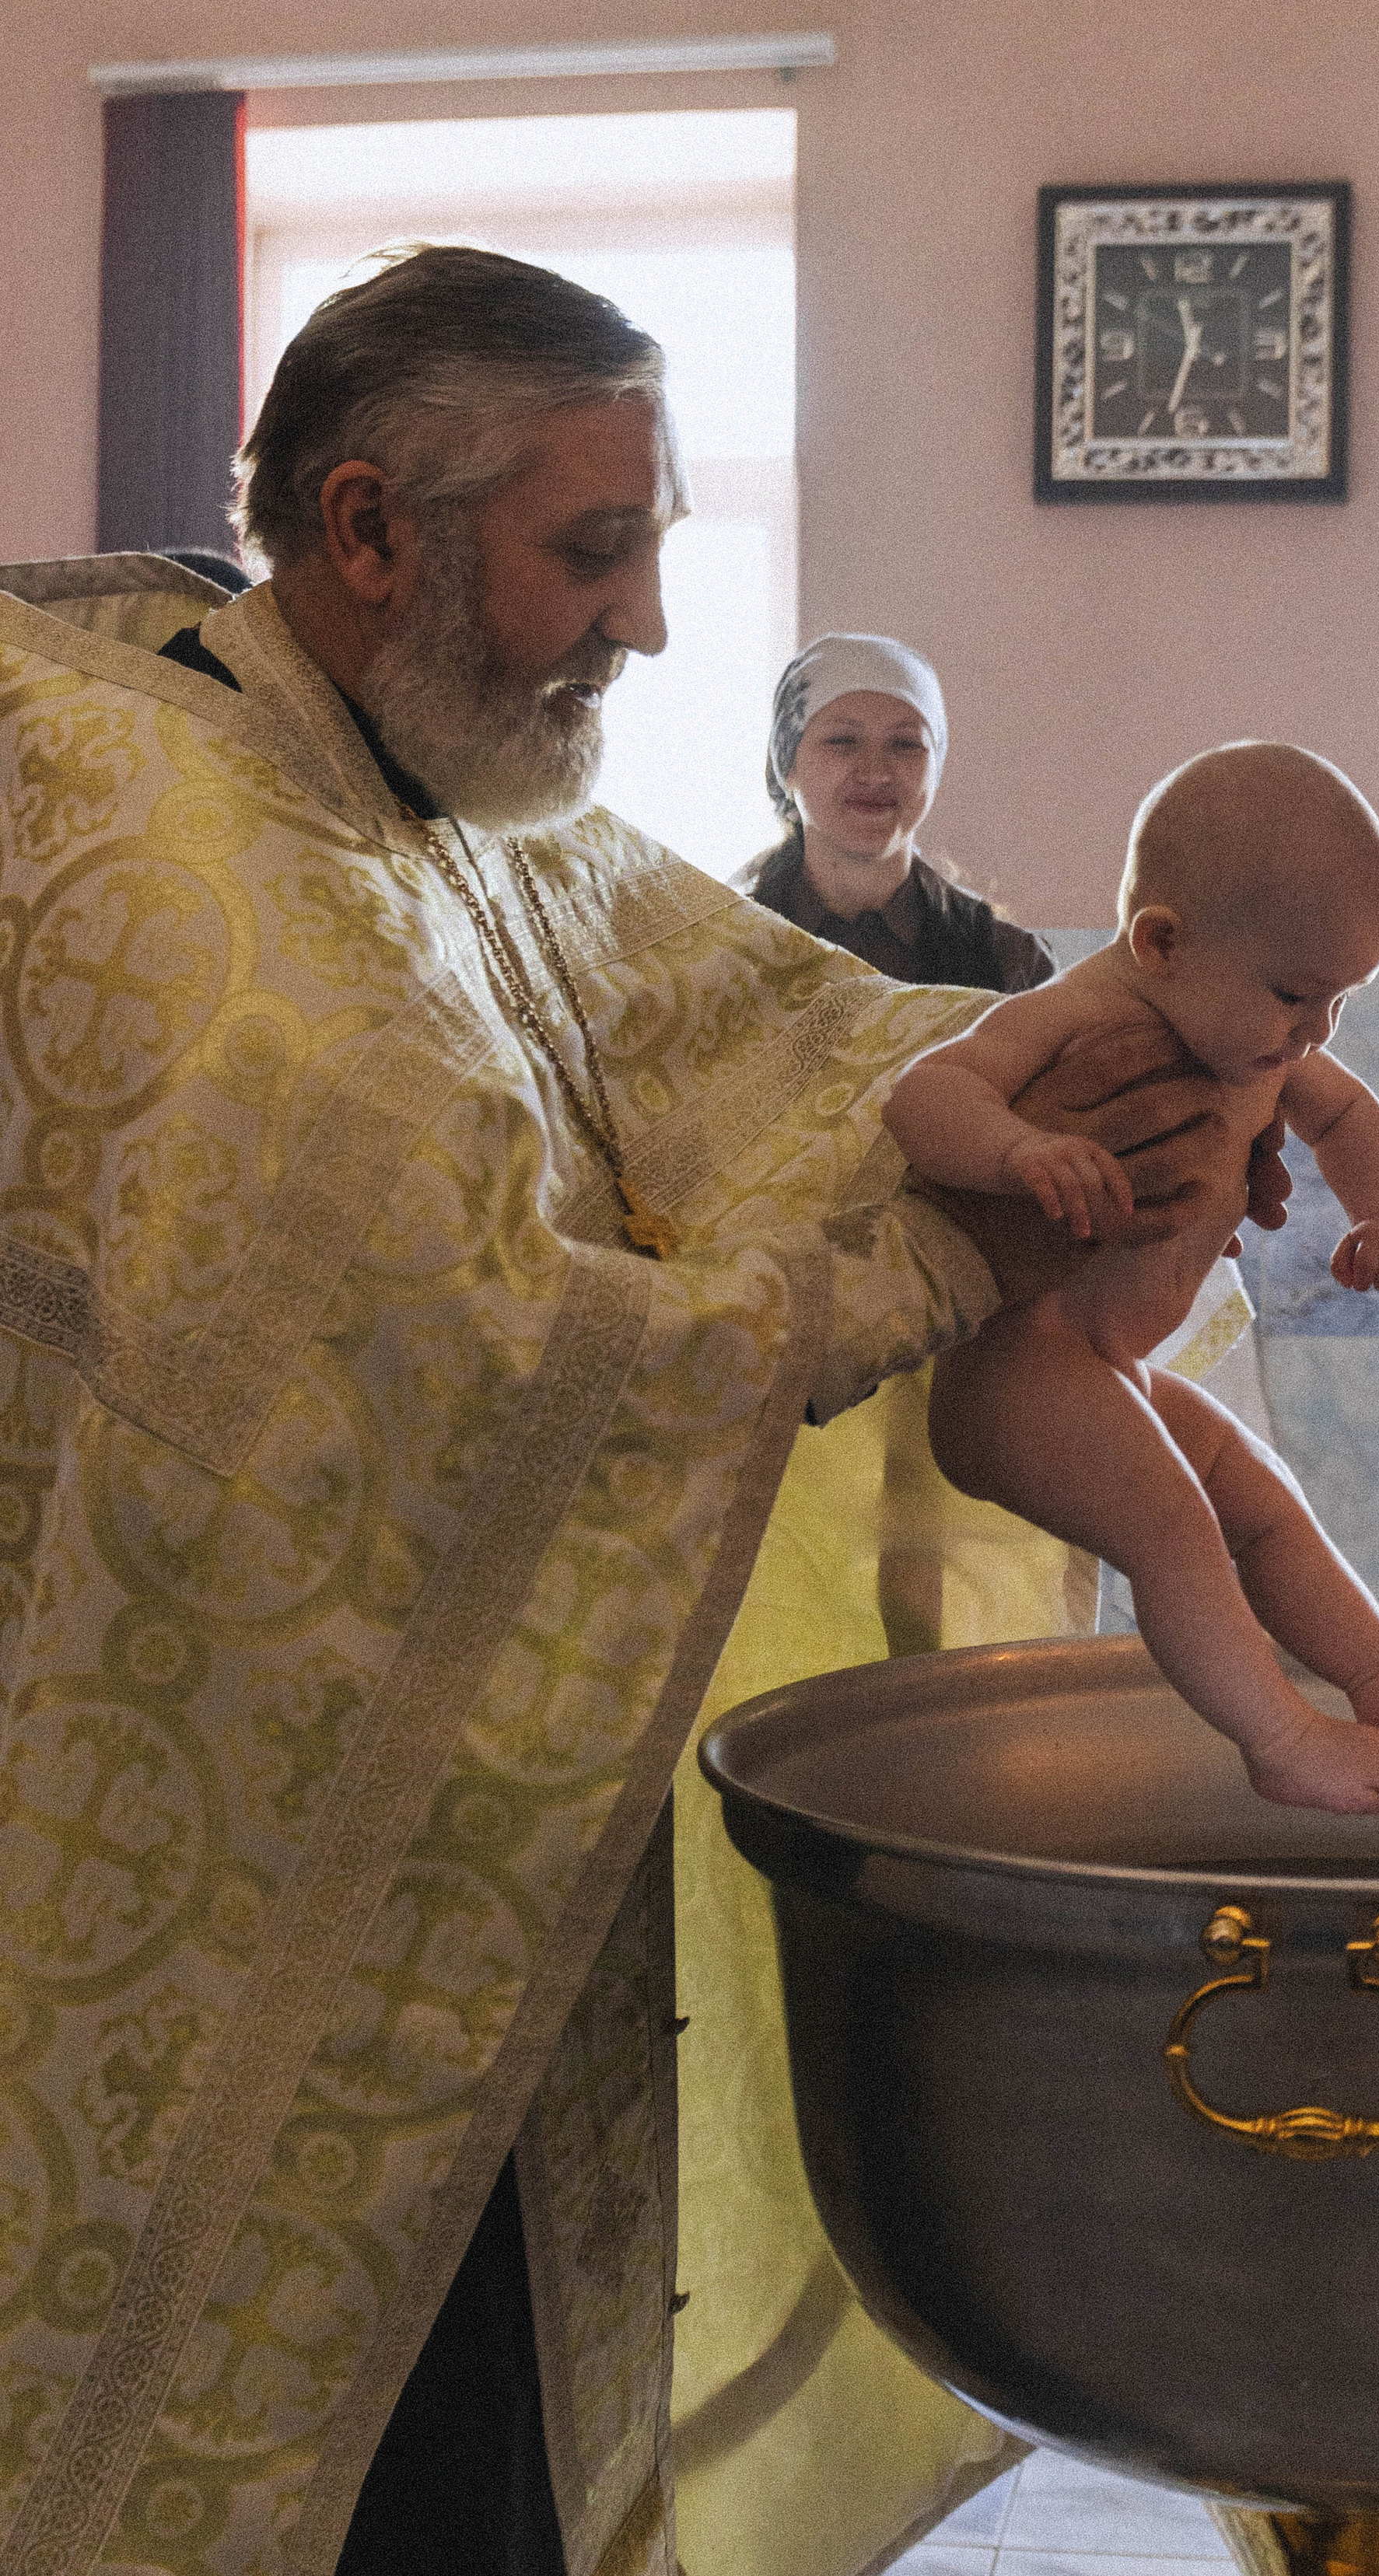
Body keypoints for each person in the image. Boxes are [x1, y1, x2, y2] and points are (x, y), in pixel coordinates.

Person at [0, 246, 1287, 2576]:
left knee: (495, 2453)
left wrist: (1117, 1065)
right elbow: (489, 1359)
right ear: (375, 529)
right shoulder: (172, 846)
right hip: (230, 1940)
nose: (654, 629)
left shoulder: (432, 772)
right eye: (596, 553)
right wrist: (936, 1254)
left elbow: (756, 1037)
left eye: (655, 543)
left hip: (466, 1881)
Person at [886, 742, 1379, 1812]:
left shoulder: (1254, 1041)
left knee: (1256, 1493)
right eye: (1295, 996)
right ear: (1160, 942)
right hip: (1017, 1369)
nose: (1314, 1033)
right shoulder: (1089, 1013)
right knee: (1178, 1527)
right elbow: (928, 1093)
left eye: (1342, 1002)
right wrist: (1017, 1152)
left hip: (1104, 1365)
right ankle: (1277, 1735)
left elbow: (1349, 1115)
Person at [738, 632, 1054, 992]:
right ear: (787, 764)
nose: (875, 774)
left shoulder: (1010, 962)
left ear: (936, 769)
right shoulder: (726, 947)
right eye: (843, 741)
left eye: (905, 745)